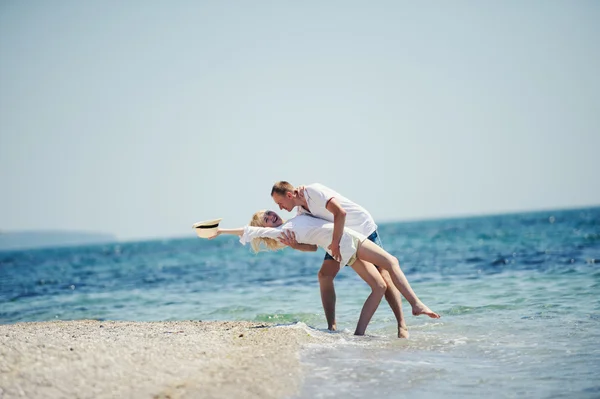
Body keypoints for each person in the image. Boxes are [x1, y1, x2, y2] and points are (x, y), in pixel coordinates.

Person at [209, 210, 440, 336]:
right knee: (391, 261)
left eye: (270, 214)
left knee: (379, 286)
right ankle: (416, 305)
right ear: (265, 229)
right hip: (348, 241)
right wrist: (220, 231)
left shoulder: (290, 225)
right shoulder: (279, 232)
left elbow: (310, 246)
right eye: (266, 220)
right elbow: (248, 230)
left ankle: (359, 335)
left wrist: (296, 244)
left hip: (342, 249)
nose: (271, 218)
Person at [271, 181, 410, 337]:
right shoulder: (302, 214)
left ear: (289, 195)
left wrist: (335, 244)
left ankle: (402, 326)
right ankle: (332, 327)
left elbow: (340, 213)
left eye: (280, 203)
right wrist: (294, 245)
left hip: (361, 228)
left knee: (383, 274)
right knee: (325, 275)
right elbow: (313, 246)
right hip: (341, 237)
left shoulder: (312, 191)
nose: (280, 208)